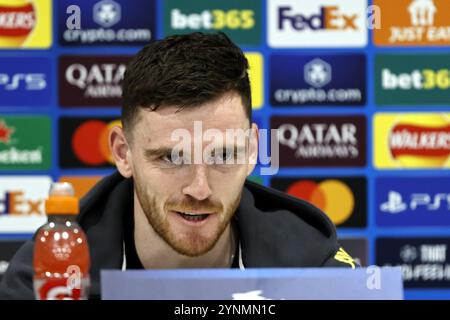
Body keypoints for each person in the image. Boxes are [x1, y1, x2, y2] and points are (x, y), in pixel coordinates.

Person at [0, 32, 357, 300]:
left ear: (252, 151)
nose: (199, 189)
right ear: (123, 154)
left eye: (222, 156)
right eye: (171, 158)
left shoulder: (312, 272)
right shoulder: (49, 279)